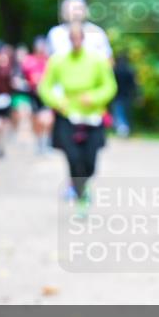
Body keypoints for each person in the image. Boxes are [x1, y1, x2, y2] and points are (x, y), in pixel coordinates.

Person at [38, 22, 117, 208]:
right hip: (67, 115)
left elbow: (109, 86)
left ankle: (83, 184)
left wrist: (94, 97)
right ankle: (79, 192)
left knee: (90, 162)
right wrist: (58, 102)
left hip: (92, 116)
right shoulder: (58, 60)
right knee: (73, 157)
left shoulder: (97, 60)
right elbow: (45, 87)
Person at [47, 0, 113, 60]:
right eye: (71, 8)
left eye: (79, 8)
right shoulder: (55, 34)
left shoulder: (97, 32)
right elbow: (49, 61)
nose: (76, 12)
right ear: (63, 11)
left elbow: (108, 60)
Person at [22, 36, 54, 154]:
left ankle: (47, 141)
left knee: (49, 119)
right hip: (33, 94)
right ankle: (40, 142)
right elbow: (23, 76)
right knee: (37, 119)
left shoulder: (49, 60)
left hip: (47, 94)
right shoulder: (29, 60)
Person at [111, 53, 138, 137]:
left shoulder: (115, 70)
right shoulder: (130, 70)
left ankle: (121, 129)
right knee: (126, 113)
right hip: (127, 95)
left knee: (118, 112)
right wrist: (136, 95)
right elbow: (134, 84)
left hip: (117, 95)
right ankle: (125, 129)